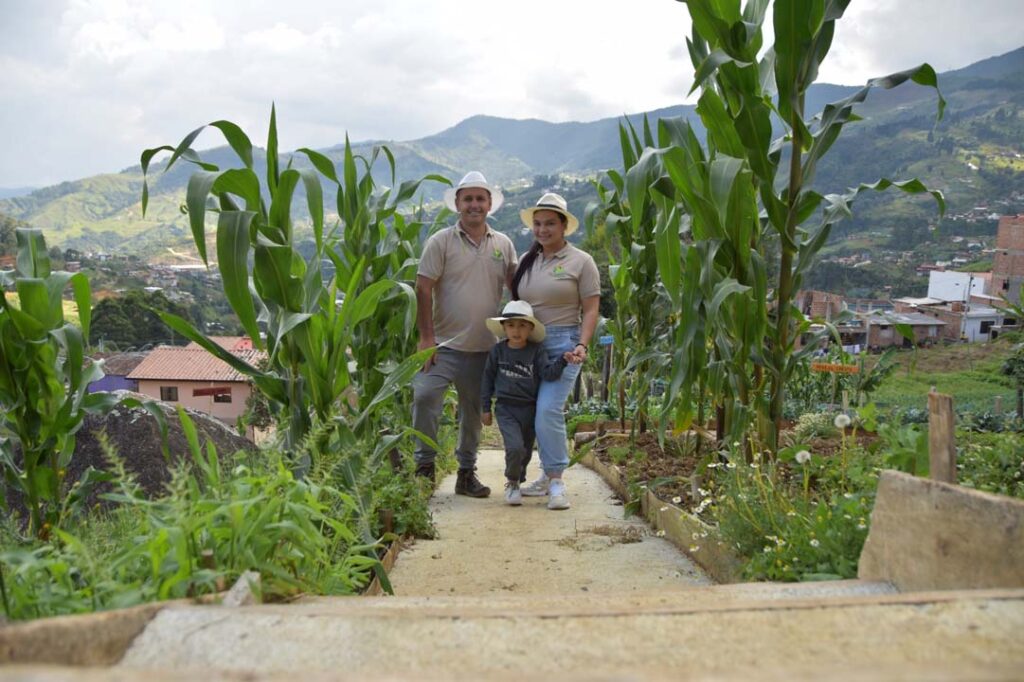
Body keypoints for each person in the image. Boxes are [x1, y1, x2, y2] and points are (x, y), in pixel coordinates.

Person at [412, 171, 518, 498]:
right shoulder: (441, 242)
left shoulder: (503, 244)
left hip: (484, 347)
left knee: (473, 412)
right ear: (457, 204)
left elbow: (516, 289)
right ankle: (424, 468)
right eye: (468, 199)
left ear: (489, 204)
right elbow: (423, 288)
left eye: (480, 199)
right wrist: (426, 339)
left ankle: (466, 473)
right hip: (442, 346)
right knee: (425, 396)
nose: (474, 204)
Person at [511, 192, 600, 510]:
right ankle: (546, 476)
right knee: (533, 414)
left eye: (550, 223)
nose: (542, 229)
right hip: (528, 345)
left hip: (564, 345)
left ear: (564, 226)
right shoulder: (526, 260)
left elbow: (591, 309)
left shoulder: (581, 261)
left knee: (548, 410)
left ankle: (557, 482)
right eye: (537, 224)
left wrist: (582, 344)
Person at [480, 300, 576, 506]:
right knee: (514, 447)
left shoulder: (536, 351)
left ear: (531, 328)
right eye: (511, 325)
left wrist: (562, 361)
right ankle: (512, 482)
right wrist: (485, 408)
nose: (516, 331)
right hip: (506, 408)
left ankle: (519, 478)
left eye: (522, 325)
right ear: (504, 327)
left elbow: (548, 374)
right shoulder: (497, 351)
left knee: (524, 451)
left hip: (529, 409)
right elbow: (487, 379)